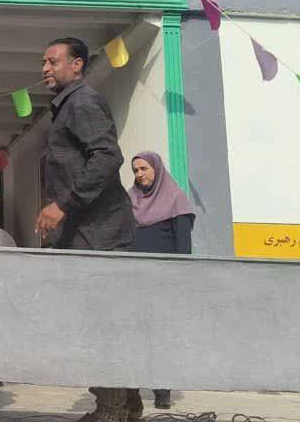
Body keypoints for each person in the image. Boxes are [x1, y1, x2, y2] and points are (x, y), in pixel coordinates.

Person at [35, 37, 139, 422]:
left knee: (101, 322)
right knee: (99, 320)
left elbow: (108, 157)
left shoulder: (82, 102)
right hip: (88, 233)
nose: (45, 68)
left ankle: (112, 410)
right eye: (44, 62)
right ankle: (126, 405)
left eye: (53, 61)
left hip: (101, 235)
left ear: (77, 64)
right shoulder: (68, 106)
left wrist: (63, 204)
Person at [129, 150, 195, 411]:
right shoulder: (130, 200)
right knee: (134, 334)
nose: (139, 174)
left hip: (164, 281)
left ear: (156, 169)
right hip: (135, 279)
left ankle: (162, 390)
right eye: (136, 170)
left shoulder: (176, 198)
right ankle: (130, 391)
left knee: (161, 336)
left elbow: (183, 245)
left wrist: (180, 280)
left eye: (144, 168)